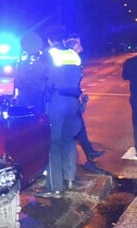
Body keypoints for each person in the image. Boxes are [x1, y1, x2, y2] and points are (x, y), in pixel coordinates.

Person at [38, 26, 83, 198]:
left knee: (53, 144)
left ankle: (55, 188)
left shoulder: (49, 54)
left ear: (49, 41)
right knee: (68, 139)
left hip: (57, 102)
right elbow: (79, 77)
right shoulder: (74, 55)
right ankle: (70, 178)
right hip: (73, 102)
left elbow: (38, 77)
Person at [64, 34, 106, 169]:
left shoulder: (74, 59)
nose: (82, 46)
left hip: (71, 98)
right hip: (67, 100)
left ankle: (90, 152)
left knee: (79, 127)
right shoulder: (72, 60)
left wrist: (80, 94)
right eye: (79, 43)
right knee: (75, 127)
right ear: (75, 46)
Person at [14, 32, 46, 110]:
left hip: (37, 93)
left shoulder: (41, 58)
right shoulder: (23, 60)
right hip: (25, 93)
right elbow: (18, 76)